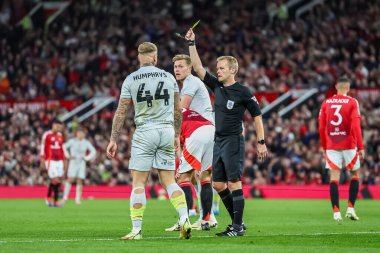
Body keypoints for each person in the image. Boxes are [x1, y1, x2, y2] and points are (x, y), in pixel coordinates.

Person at [185, 28, 268, 236]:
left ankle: (238, 227)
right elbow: (197, 67)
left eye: (222, 68)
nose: (218, 71)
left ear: (233, 70)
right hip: (218, 141)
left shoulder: (243, 91)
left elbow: (257, 115)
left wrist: (261, 141)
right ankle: (236, 223)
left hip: (233, 140)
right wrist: (191, 44)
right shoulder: (217, 87)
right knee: (219, 184)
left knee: (234, 182)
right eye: (217, 68)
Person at [106, 42, 191, 240]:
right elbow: (177, 110)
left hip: (145, 130)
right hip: (166, 129)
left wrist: (113, 139)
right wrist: (177, 134)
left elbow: (121, 112)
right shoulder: (168, 77)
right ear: (155, 57)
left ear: (139, 58)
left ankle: (136, 230)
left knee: (139, 182)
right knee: (169, 181)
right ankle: (185, 218)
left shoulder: (131, 79)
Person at [165, 54, 216, 232]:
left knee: (184, 177)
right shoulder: (192, 83)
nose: (177, 70)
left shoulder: (191, 82)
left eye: (180, 66)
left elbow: (181, 109)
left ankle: (184, 220)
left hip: (196, 130)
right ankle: (207, 219)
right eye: (175, 67)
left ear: (189, 68)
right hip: (210, 130)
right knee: (203, 177)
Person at [318, 77, 365, 222]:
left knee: (334, 177)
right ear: (348, 87)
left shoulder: (326, 102)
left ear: (336, 86)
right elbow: (356, 126)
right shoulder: (352, 102)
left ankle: (336, 212)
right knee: (355, 174)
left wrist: (325, 147)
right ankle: (350, 208)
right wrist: (361, 147)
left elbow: (321, 127)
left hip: (332, 144)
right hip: (349, 144)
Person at [62, 128, 96, 204]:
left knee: (80, 180)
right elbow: (63, 146)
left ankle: (77, 198)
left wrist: (86, 158)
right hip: (73, 162)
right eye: (79, 133)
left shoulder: (86, 142)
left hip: (81, 163)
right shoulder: (72, 141)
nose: (81, 135)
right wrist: (67, 155)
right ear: (76, 134)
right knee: (70, 179)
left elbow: (93, 151)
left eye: (82, 133)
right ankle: (65, 197)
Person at [40, 119, 65, 207]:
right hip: (50, 160)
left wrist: (64, 160)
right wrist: (42, 159)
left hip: (59, 160)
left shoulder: (60, 135)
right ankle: (54, 200)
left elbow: (62, 149)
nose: (58, 128)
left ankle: (50, 198)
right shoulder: (47, 135)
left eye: (60, 127)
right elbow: (43, 147)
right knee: (55, 180)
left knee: (58, 181)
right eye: (57, 126)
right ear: (53, 125)